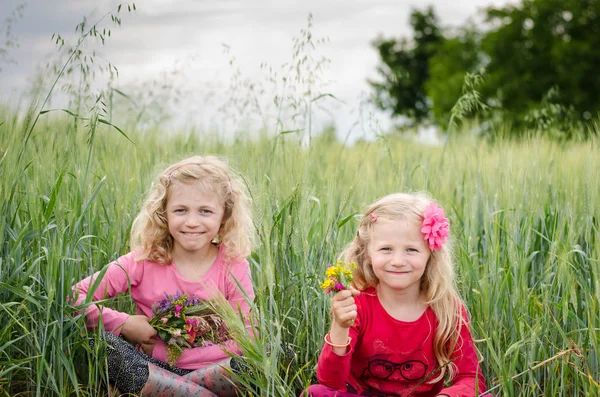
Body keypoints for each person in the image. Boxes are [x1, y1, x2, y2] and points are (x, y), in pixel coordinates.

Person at [71, 155, 256, 396]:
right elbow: (74, 297)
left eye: (205, 211)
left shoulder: (233, 263)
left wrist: (200, 363)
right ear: (164, 213)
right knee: (101, 345)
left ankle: (181, 391)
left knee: (273, 353)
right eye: (180, 210)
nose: (191, 222)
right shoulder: (143, 260)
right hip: (156, 371)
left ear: (224, 216)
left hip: (218, 372)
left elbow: (247, 333)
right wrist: (125, 324)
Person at [304, 192, 487, 396]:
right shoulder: (358, 304)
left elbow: (471, 379)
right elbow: (330, 381)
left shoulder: (446, 308)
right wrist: (340, 326)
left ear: (430, 255)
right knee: (315, 393)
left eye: (411, 250)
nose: (398, 260)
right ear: (368, 254)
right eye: (386, 249)